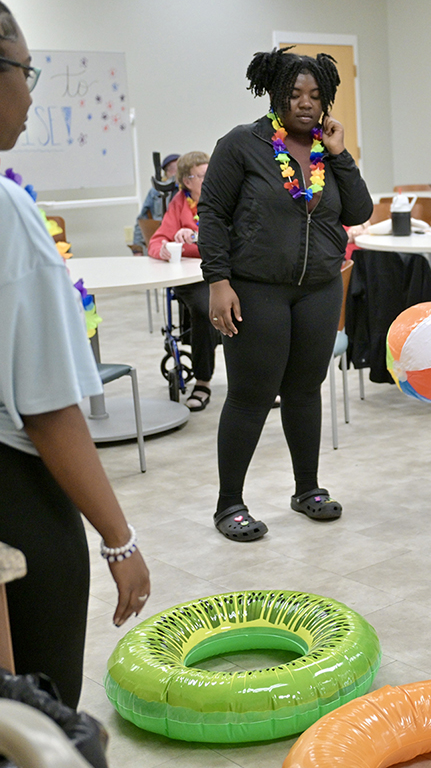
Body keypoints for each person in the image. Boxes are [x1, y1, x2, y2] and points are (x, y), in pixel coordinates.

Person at [0, 0, 150, 707]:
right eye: (25, 71)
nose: (31, 93)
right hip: (3, 491)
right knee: (34, 720)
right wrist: (117, 538)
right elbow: (48, 405)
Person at [200, 47, 372, 542]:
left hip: (318, 288)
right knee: (252, 395)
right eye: (295, 94)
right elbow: (211, 212)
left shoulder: (325, 151)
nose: (306, 103)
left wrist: (340, 155)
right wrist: (218, 281)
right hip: (257, 290)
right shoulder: (242, 145)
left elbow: (357, 210)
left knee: (303, 390)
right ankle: (229, 502)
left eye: (316, 96)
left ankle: (307, 489)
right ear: (275, 95)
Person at [148, 151, 219, 411]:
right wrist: (165, 249)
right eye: (201, 176)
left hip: (222, 269)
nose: (208, 179)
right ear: (187, 181)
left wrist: (198, 235)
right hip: (191, 275)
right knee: (203, 308)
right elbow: (156, 241)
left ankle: (255, 381)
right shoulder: (179, 203)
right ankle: (202, 381)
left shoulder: (224, 197)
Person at [132, 151, 178, 248]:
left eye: (179, 168)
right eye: (172, 169)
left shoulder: (191, 191)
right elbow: (142, 218)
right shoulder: (156, 192)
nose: (176, 172)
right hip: (160, 240)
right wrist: (137, 247)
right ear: (166, 173)